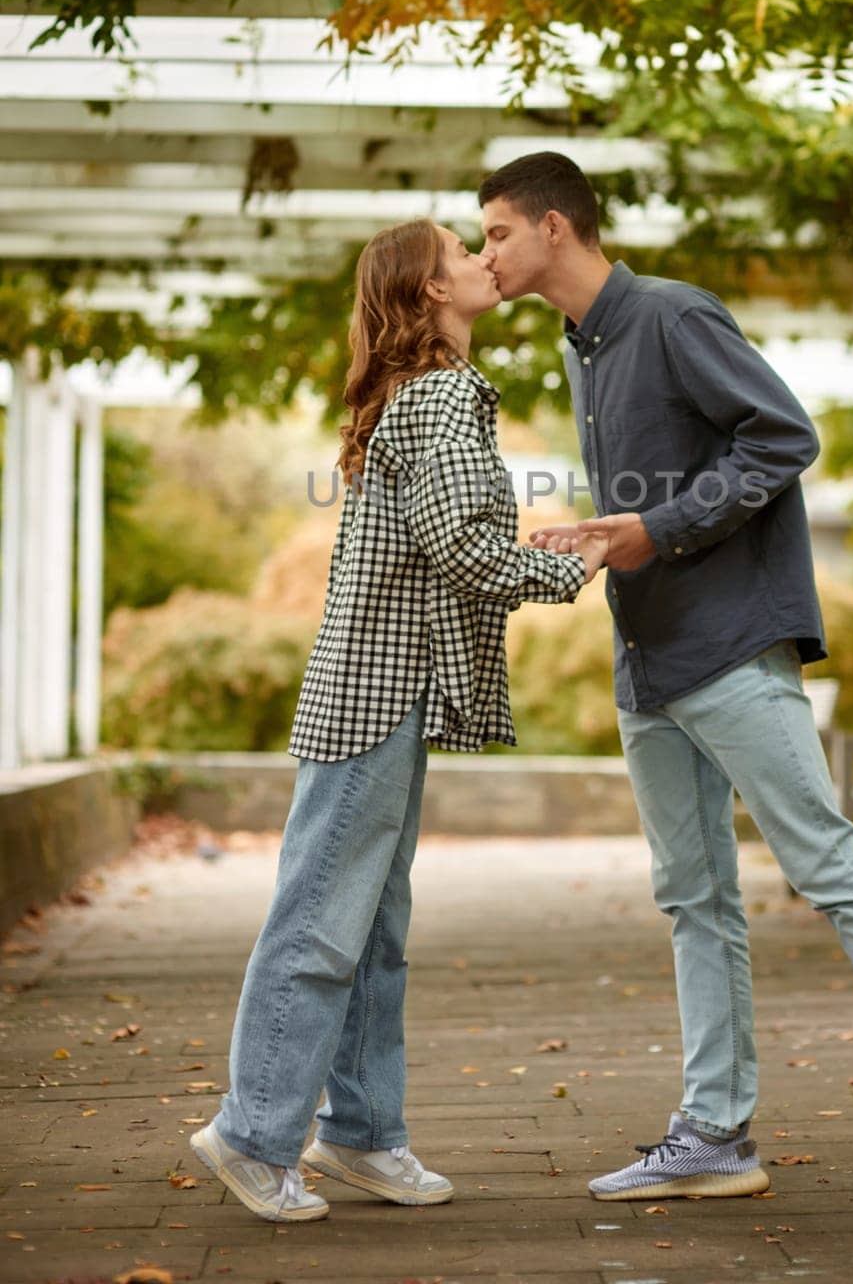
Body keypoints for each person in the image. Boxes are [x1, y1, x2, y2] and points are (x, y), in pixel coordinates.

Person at [478, 151, 853, 1212]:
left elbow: (785, 436)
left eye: (494, 231)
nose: (483, 252)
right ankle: (715, 1132)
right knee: (695, 899)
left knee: (832, 870)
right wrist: (610, 532)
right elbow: (661, 494)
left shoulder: (675, 316)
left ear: (553, 226)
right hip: (650, 661)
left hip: (729, 647)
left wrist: (657, 528)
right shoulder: (582, 347)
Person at [191, 218, 606, 1222]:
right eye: (465, 253)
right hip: (377, 697)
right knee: (323, 923)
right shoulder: (446, 394)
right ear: (427, 292)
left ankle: (364, 1133)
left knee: (372, 928)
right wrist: (573, 566)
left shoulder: (409, 396)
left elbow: (438, 544)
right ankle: (252, 1135)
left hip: (382, 693)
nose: (482, 260)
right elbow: (463, 547)